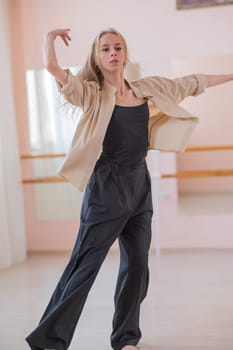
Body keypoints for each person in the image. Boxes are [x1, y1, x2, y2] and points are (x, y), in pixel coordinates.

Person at [25, 28, 233, 350]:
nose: (112, 53)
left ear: (125, 53)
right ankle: (48, 341)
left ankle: (126, 339)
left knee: (137, 263)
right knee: (84, 267)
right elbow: (53, 69)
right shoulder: (91, 93)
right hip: (106, 189)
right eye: (105, 48)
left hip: (139, 186)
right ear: (97, 56)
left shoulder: (147, 88)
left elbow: (193, 82)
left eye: (117, 47)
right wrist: (49, 38)